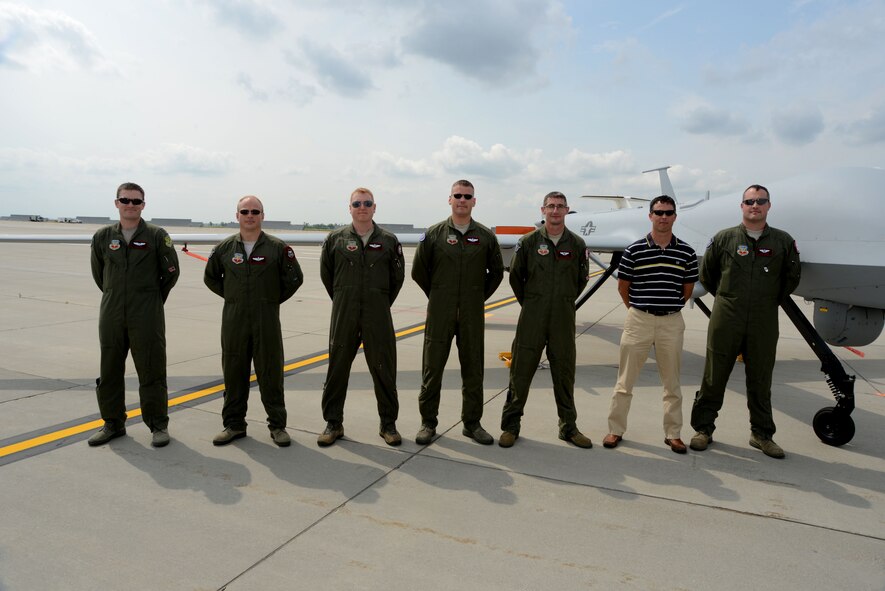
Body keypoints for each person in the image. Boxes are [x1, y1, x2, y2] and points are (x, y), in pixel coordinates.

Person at [690, 184, 801, 458]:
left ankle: (762, 434)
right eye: (750, 201)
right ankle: (703, 429)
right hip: (727, 315)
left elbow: (791, 278)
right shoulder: (723, 238)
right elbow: (707, 275)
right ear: (741, 206)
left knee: (761, 378)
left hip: (764, 318)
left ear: (768, 206)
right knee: (714, 374)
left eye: (761, 201)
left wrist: (764, 299)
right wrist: (729, 299)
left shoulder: (783, 242)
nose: (755, 205)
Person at [204, 196, 304, 447]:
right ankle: (234, 425)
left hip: (266, 320)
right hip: (234, 321)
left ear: (262, 215)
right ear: (237, 215)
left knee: (270, 374)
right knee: (234, 373)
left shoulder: (278, 248)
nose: (250, 215)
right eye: (245, 211)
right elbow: (211, 278)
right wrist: (234, 297)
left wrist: (269, 301)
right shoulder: (224, 248)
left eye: (255, 211)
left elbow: (294, 279)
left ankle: (277, 426)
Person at [602, 195, 698, 454]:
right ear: (650, 216)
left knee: (672, 383)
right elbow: (624, 287)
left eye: (668, 213)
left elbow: (687, 289)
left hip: (671, 322)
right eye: (658, 212)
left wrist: (666, 308)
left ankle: (673, 434)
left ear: (675, 216)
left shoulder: (686, 252)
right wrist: (638, 310)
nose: (663, 217)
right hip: (639, 319)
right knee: (625, 381)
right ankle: (615, 430)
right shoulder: (634, 250)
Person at [412, 180, 504, 445]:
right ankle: (428, 423)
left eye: (467, 196)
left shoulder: (485, 237)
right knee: (432, 369)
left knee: (473, 370)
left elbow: (496, 274)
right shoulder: (434, 234)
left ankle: (472, 423)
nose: (462, 200)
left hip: (472, 315)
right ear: (449, 199)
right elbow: (419, 271)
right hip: (440, 313)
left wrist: (475, 297)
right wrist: (439, 295)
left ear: (474, 201)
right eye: (458, 195)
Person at [88, 182, 180, 447]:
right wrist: (115, 294)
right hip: (112, 312)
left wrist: (150, 298)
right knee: (110, 369)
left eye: (136, 201)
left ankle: (158, 425)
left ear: (143, 205)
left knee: (151, 369)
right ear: (116, 203)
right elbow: (99, 274)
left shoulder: (156, 235)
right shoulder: (103, 237)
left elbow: (171, 273)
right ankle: (112, 423)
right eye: (125, 200)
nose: (131, 205)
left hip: (147, 314)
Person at [499, 191, 593, 449]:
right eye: (550, 206)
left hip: (562, 319)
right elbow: (516, 277)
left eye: (560, 206)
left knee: (564, 373)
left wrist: (561, 302)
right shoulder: (528, 242)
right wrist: (532, 303)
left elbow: (581, 280)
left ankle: (568, 427)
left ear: (567, 210)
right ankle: (510, 426)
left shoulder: (576, 244)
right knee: (520, 372)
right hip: (532, 318)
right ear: (543, 210)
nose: (555, 211)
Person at [316, 188, 405, 447]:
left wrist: (378, 300)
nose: (362, 207)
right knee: (337, 368)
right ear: (350, 208)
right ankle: (333, 423)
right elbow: (327, 275)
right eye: (357, 203)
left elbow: (396, 279)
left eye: (367, 203)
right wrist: (345, 298)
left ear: (374, 207)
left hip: (378, 314)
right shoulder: (335, 239)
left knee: (384, 368)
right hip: (345, 312)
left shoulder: (388, 240)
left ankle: (388, 424)